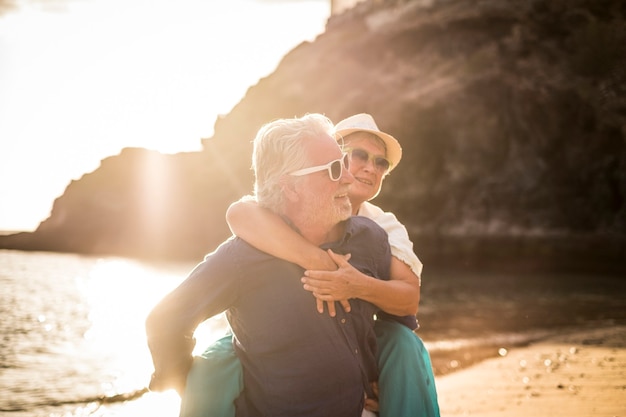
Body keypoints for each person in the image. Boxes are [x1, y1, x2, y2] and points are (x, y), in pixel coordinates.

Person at [182, 114, 440, 417]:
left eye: (381, 163)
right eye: (358, 156)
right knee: (214, 362)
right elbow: (240, 213)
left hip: (351, 334)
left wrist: (355, 284)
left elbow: (407, 300)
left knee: (402, 343)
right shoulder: (294, 205)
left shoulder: (383, 227)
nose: (371, 167)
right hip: (273, 337)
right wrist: (318, 261)